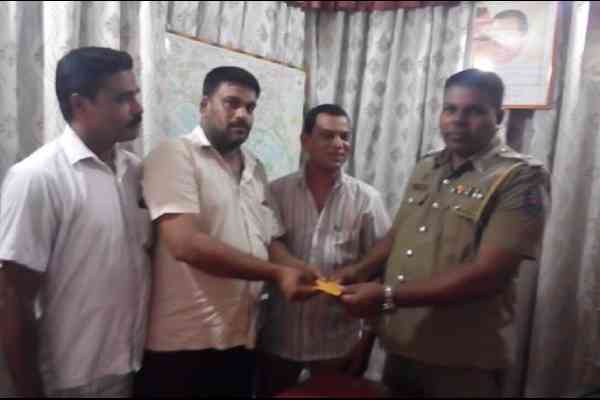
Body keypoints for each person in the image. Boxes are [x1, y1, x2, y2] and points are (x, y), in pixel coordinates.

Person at [338, 69, 551, 397]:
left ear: (499, 117)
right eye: (450, 109)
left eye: (474, 111)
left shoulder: (520, 177)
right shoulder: (428, 166)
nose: (458, 120)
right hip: (402, 343)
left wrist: (388, 296)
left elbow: (489, 274)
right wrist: (358, 270)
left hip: (464, 358)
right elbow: (398, 237)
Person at [135, 66, 319, 397]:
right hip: (184, 344)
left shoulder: (255, 167)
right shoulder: (174, 155)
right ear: (204, 104)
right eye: (231, 103)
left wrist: (295, 267)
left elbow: (269, 239)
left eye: (250, 107)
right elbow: (185, 244)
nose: (242, 115)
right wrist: (278, 273)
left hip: (242, 336)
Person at [0, 47, 150, 397]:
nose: (138, 108)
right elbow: (12, 298)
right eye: (123, 98)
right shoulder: (37, 177)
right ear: (80, 104)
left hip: (130, 368)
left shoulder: (136, 172)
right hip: (68, 381)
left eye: (136, 95)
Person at [256, 104, 391, 396]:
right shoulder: (276, 192)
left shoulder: (367, 199)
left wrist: (368, 338)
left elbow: (383, 268)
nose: (339, 144)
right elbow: (267, 246)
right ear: (305, 141)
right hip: (279, 341)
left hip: (338, 344)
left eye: (345, 136)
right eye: (328, 136)